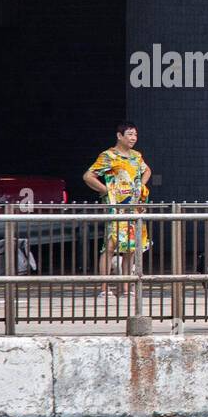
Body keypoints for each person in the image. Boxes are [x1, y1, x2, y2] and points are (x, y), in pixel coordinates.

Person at [83, 122, 151, 298]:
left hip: (133, 207)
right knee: (110, 246)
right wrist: (106, 190)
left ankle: (126, 289)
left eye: (135, 134)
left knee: (131, 247)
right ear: (119, 136)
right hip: (116, 208)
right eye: (129, 134)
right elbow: (88, 176)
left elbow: (147, 171)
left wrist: (140, 186)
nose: (133, 138)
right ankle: (105, 289)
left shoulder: (137, 156)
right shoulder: (109, 156)